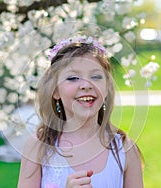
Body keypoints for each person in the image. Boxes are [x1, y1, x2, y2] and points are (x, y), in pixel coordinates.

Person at [17, 35, 144, 188]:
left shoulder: (125, 149)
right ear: (55, 91)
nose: (86, 85)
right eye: (73, 78)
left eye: (96, 76)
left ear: (107, 89)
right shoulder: (38, 147)